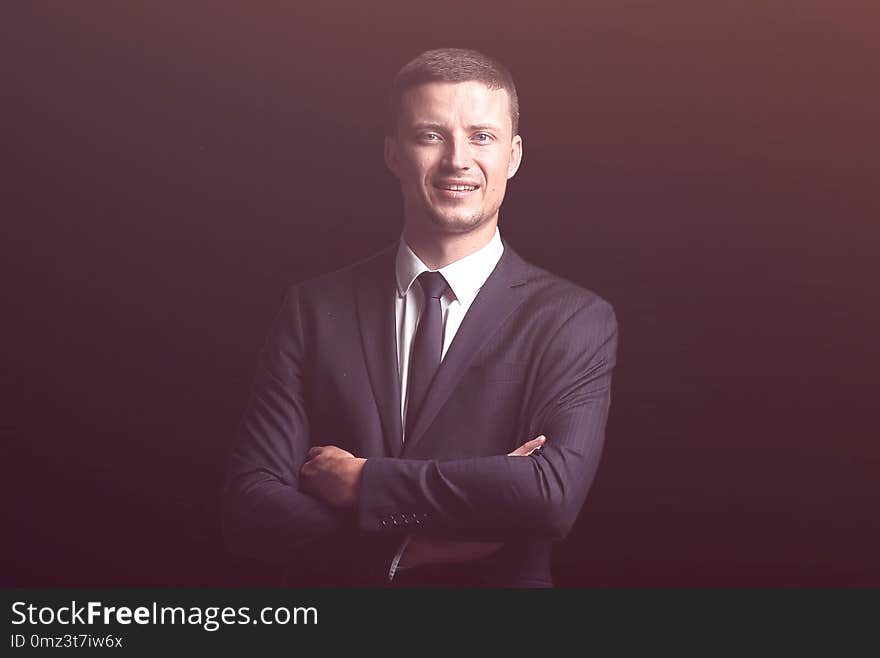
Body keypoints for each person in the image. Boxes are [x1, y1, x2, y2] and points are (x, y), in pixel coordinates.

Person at [221, 48, 618, 587]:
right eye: (430, 135)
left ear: (514, 155)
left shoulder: (573, 319)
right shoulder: (314, 309)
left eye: (482, 137)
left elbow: (549, 498)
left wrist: (366, 484)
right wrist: (397, 556)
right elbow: (250, 503)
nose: (458, 159)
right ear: (392, 153)